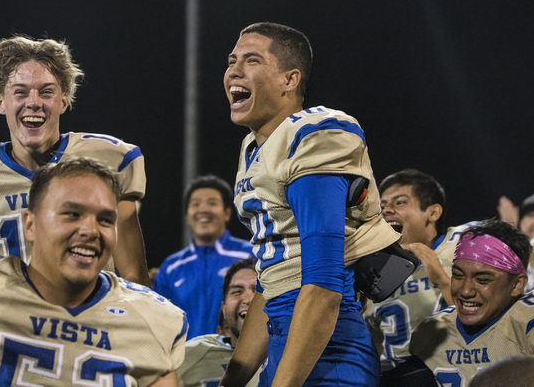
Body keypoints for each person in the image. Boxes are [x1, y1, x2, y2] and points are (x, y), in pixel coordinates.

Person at [0, 159, 187, 386]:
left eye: (105, 219)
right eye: (71, 214)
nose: (90, 230)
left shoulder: (154, 321)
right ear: (30, 225)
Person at [220, 22, 400, 387]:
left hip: (328, 350)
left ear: (290, 80)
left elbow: (323, 285)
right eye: (231, 60)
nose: (234, 71)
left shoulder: (314, 130)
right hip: (285, 340)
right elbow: (272, 282)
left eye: (251, 60)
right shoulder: (253, 148)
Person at [0, 36, 149, 286]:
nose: (34, 102)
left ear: (63, 101)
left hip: (90, 320)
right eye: (21, 92)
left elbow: (135, 280)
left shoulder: (110, 161)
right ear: (0, 102)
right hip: (10, 322)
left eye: (46, 92)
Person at [409, 219, 533, 386]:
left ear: (517, 284)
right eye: (458, 276)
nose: (465, 291)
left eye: (482, 280)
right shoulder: (432, 333)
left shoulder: (525, 324)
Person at [365, 169, 470, 359]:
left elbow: (491, 325)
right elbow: (371, 343)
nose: (387, 210)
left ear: (433, 212)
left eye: (400, 202)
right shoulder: (371, 265)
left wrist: (443, 281)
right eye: (383, 205)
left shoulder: (464, 246)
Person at [154, 175, 253, 339]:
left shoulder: (250, 255)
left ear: (227, 213)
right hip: (187, 361)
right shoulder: (171, 267)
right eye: (196, 204)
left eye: (212, 203)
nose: (203, 210)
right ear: (187, 214)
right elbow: (159, 321)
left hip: (239, 358)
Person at [177, 259, 261, 387]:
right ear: (224, 309)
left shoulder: (293, 357)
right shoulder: (188, 356)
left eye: (257, 290)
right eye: (237, 291)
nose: (248, 299)